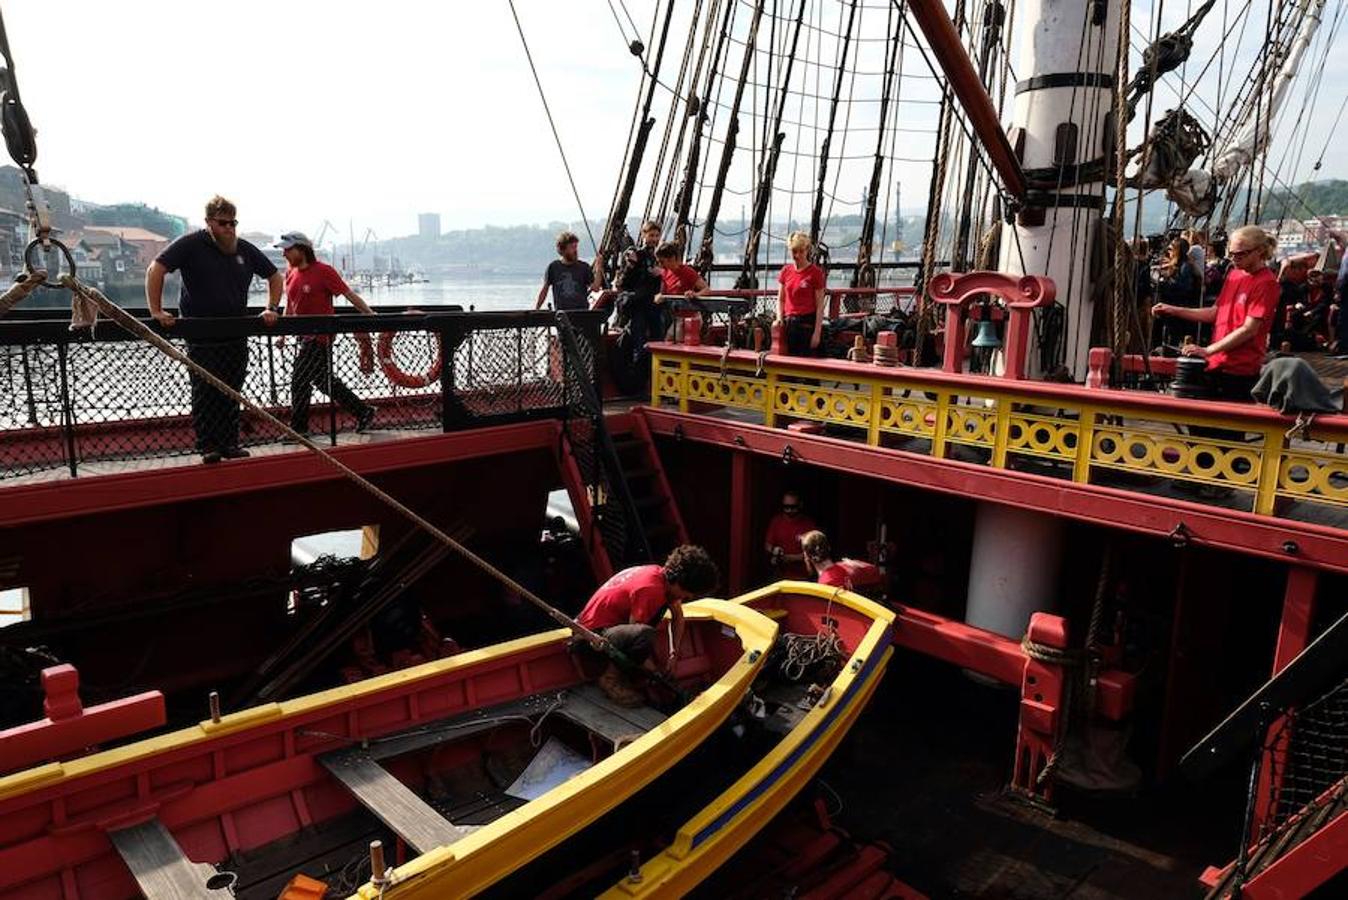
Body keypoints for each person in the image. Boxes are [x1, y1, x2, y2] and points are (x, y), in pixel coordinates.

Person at [147, 196, 283, 464]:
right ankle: (208, 445)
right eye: (223, 223)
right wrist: (156, 310)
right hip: (201, 333)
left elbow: (275, 276)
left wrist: (272, 308)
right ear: (209, 222)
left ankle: (229, 442)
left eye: (233, 223)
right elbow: (156, 269)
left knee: (232, 389)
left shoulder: (244, 249)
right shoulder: (191, 244)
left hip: (235, 330)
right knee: (205, 389)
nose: (229, 228)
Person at [576, 544, 720, 707]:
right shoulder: (650, 590)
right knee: (645, 635)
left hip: (611, 632)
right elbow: (637, 633)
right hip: (589, 640)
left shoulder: (661, 576)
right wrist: (655, 672)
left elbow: (678, 616)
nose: (689, 597)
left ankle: (630, 677)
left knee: (645, 640)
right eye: (689, 593)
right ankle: (610, 679)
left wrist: (674, 653)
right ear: (679, 583)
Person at [1152, 224, 1279, 401]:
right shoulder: (1234, 275)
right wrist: (1174, 310)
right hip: (1217, 363)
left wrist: (1208, 350)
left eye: (1240, 254)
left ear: (1259, 251)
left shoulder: (1266, 282)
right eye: (1232, 254)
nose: (1234, 259)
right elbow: (1216, 313)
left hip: (1240, 368)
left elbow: (1250, 329)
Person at [275, 232, 378, 435]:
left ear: (302, 249)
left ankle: (298, 429)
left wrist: (370, 314)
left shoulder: (323, 271)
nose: (284, 254)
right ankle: (363, 411)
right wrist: (283, 334)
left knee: (300, 379)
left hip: (321, 336)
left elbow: (348, 294)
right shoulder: (290, 273)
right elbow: (290, 305)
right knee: (323, 380)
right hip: (303, 336)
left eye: (288, 250)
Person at [775, 231, 828, 356]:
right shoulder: (785, 271)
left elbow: (820, 306)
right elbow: (781, 299)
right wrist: (779, 318)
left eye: (801, 251)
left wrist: (817, 333)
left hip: (807, 324)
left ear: (807, 250)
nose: (797, 255)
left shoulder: (815, 273)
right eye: (794, 251)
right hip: (789, 324)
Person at [535, 230, 602, 311]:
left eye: (576, 247)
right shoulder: (553, 267)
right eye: (572, 247)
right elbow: (544, 290)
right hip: (562, 313)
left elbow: (596, 288)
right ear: (563, 249)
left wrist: (599, 268)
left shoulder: (584, 267)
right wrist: (537, 309)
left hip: (581, 312)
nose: (575, 251)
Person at [764, 490, 818, 580]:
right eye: (786, 507)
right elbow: (767, 544)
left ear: (800, 505)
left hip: (802, 577)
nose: (789, 510)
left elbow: (814, 552)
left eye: (793, 507)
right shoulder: (776, 521)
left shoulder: (809, 524)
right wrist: (774, 550)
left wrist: (790, 558)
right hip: (780, 576)